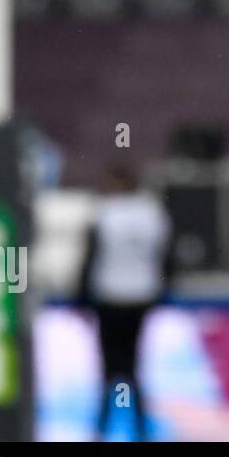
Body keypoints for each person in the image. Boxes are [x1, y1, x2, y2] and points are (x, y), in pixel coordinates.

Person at [77, 163, 175, 440]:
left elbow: (90, 258)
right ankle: (140, 429)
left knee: (110, 368)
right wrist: (161, 290)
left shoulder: (104, 213)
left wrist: (82, 298)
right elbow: (166, 258)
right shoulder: (153, 213)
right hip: (141, 296)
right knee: (134, 366)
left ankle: (102, 428)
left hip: (109, 297)